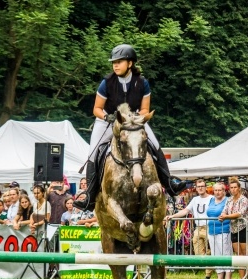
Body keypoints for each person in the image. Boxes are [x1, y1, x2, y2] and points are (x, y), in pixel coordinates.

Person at [73, 44, 186, 211]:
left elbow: (145, 109)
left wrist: (138, 118)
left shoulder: (142, 83)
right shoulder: (107, 83)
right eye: (114, 62)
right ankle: (89, 196)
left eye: (119, 62)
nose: (115, 65)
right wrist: (107, 117)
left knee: (155, 146)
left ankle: (169, 184)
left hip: (133, 122)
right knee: (93, 153)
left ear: (130, 63)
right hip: (108, 121)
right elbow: (96, 109)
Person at [164, 179, 213, 279]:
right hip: (198, 228)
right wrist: (172, 216)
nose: (200, 188)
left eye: (202, 186)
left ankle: (208, 276)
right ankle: (208, 268)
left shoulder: (211, 198)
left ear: (205, 187)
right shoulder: (195, 200)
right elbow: (186, 210)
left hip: (209, 227)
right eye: (198, 186)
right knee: (198, 252)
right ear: (196, 188)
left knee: (210, 251)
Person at [219, 177, 248, 279]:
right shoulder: (229, 199)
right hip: (234, 229)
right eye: (231, 188)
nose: (233, 189)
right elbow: (224, 210)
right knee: (239, 255)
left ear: (239, 188)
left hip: (245, 228)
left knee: (247, 255)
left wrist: (226, 217)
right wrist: (222, 215)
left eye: (235, 187)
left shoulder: (244, 199)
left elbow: (240, 213)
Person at [207, 183, 233, 279]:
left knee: (225, 253)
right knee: (215, 254)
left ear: (224, 191)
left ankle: (228, 278)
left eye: (219, 190)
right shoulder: (211, 200)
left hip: (224, 229)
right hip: (211, 230)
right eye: (216, 190)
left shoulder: (228, 200)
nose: (217, 192)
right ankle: (219, 277)